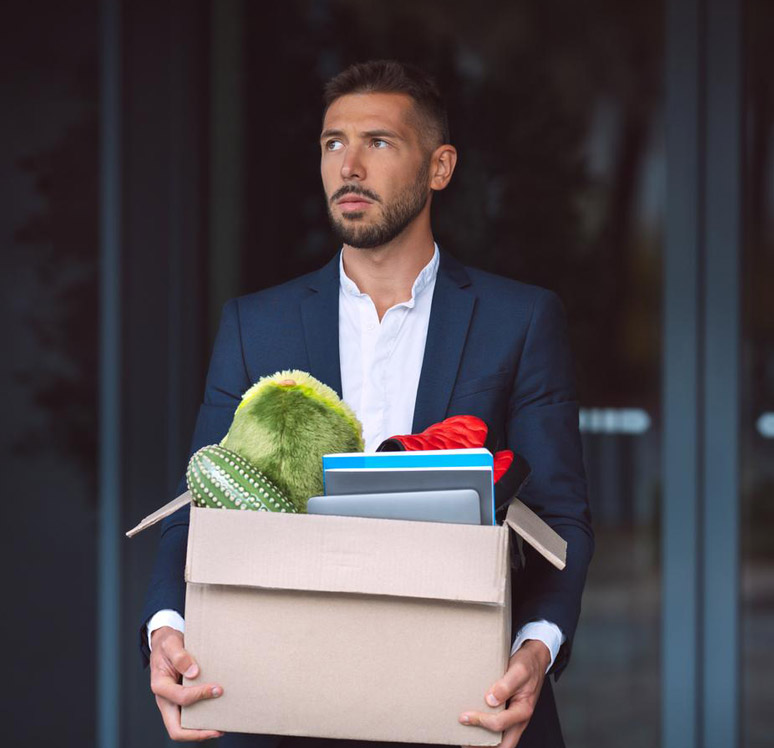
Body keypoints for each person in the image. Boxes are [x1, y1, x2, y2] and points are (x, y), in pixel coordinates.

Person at [139, 60, 593, 748]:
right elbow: (198, 504)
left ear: (439, 168)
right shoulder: (254, 325)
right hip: (283, 709)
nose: (349, 165)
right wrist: (166, 628)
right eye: (332, 143)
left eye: (378, 142)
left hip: (475, 708)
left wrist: (535, 651)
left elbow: (560, 519)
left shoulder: (520, 320)